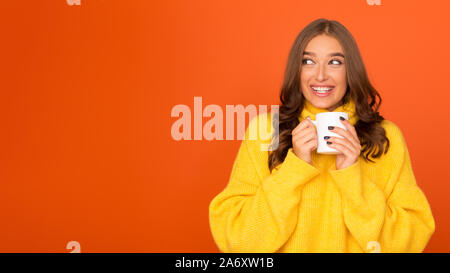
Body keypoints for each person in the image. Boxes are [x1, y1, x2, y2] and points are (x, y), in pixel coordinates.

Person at [208, 18, 435, 253]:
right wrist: (294, 168)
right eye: (308, 61)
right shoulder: (268, 131)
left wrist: (351, 176)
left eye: (335, 62)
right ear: (297, 70)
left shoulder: (385, 136)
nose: (320, 75)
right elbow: (239, 243)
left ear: (350, 71)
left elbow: (409, 243)